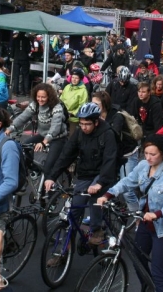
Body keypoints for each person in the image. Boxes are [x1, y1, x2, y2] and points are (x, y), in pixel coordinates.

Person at [96, 134, 163, 292]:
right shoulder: (143, 166)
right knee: (138, 260)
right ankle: (148, 286)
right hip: (145, 223)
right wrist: (107, 195)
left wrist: (158, 214)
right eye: (146, 153)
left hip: (162, 228)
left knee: (158, 272)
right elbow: (127, 182)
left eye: (153, 154)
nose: (149, 158)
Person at [44, 102, 117, 247]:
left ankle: (97, 231)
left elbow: (110, 160)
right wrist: (52, 176)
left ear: (96, 122)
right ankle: (64, 251)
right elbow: (66, 155)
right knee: (74, 209)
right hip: (85, 173)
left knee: (95, 200)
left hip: (101, 173)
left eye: (87, 124)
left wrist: (100, 183)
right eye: (81, 123)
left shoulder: (108, 134)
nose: (83, 127)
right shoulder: (79, 133)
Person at [6, 83, 68, 178]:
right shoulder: (35, 105)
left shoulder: (56, 107)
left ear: (49, 97)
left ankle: (47, 191)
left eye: (43, 97)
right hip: (43, 135)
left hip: (58, 138)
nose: (40, 99)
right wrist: (10, 129)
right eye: (38, 96)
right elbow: (23, 117)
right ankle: (35, 169)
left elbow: (55, 127)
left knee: (48, 168)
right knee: (24, 147)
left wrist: (44, 142)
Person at [59, 68, 89, 136]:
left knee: (72, 137)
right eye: (72, 77)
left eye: (76, 78)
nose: (74, 80)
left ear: (80, 79)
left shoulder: (83, 91)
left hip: (74, 118)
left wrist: (72, 113)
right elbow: (61, 100)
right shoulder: (67, 87)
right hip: (63, 116)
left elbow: (82, 106)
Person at [11, 31, 31, 97]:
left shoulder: (15, 39)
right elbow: (28, 49)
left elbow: (12, 50)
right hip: (25, 58)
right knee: (25, 75)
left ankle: (15, 92)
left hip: (16, 58)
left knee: (16, 75)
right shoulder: (27, 39)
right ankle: (27, 92)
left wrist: (12, 56)